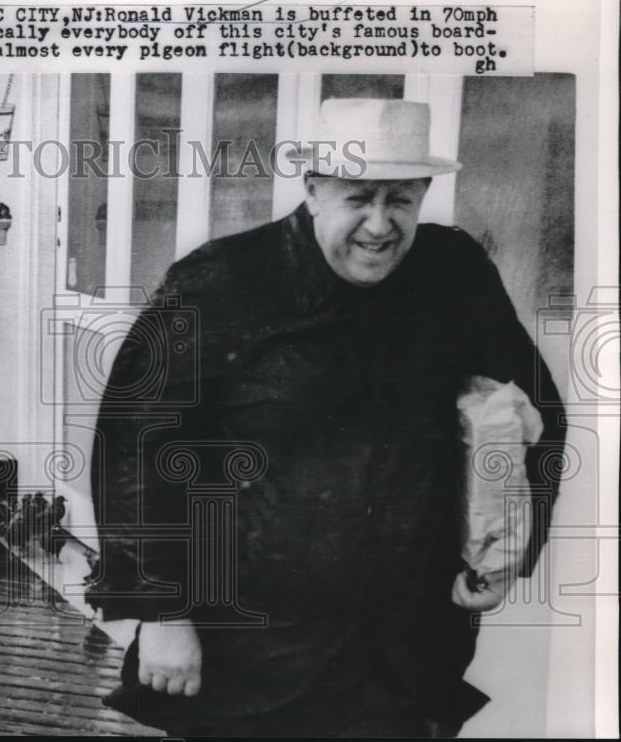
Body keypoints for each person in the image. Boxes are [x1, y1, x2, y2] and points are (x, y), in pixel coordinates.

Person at [85, 99, 568, 737]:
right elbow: (134, 445)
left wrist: (503, 551)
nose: (379, 223)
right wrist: (164, 614)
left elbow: (538, 412)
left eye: (400, 198)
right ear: (314, 189)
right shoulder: (222, 282)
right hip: (249, 650)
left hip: (403, 647)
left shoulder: (454, 274)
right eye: (358, 197)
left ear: (423, 193)